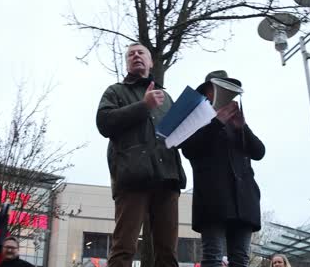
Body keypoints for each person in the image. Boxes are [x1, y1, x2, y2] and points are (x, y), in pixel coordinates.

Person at [96, 43, 186, 267]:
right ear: (127, 62)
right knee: (124, 248)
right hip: (132, 177)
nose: (136, 56)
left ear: (150, 61)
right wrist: (143, 106)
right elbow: (104, 123)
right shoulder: (115, 91)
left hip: (167, 178)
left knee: (168, 252)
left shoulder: (166, 97)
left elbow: (175, 134)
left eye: (141, 53)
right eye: (131, 54)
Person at [180, 70, 266, 267]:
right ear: (206, 93)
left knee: (241, 259)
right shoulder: (195, 119)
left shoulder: (237, 123)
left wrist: (242, 127)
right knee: (213, 257)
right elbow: (190, 150)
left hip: (244, 201)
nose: (223, 94)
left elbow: (259, 152)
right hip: (213, 199)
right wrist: (216, 122)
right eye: (217, 88)